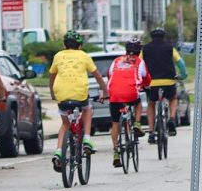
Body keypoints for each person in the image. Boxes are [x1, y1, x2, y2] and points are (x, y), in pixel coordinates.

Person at [49, 30, 108, 170]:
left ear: (64, 45)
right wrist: (105, 92)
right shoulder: (84, 56)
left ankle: (58, 152)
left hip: (62, 93)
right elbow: (98, 76)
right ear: (80, 46)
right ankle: (87, 138)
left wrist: (53, 93)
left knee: (65, 124)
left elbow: (51, 77)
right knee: (88, 109)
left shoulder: (58, 56)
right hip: (80, 93)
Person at [106, 37, 149, 168]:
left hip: (114, 94)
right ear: (139, 50)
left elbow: (109, 75)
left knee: (115, 122)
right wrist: (145, 85)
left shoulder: (117, 60)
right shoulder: (139, 62)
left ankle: (116, 152)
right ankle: (136, 123)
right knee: (138, 103)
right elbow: (146, 77)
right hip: (130, 94)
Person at [141, 27, 187, 142]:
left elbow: (139, 64)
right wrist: (183, 75)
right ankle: (171, 118)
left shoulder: (145, 49)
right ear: (163, 37)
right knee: (173, 98)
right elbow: (180, 62)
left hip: (152, 83)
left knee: (151, 103)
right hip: (168, 81)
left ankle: (151, 132)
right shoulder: (170, 48)